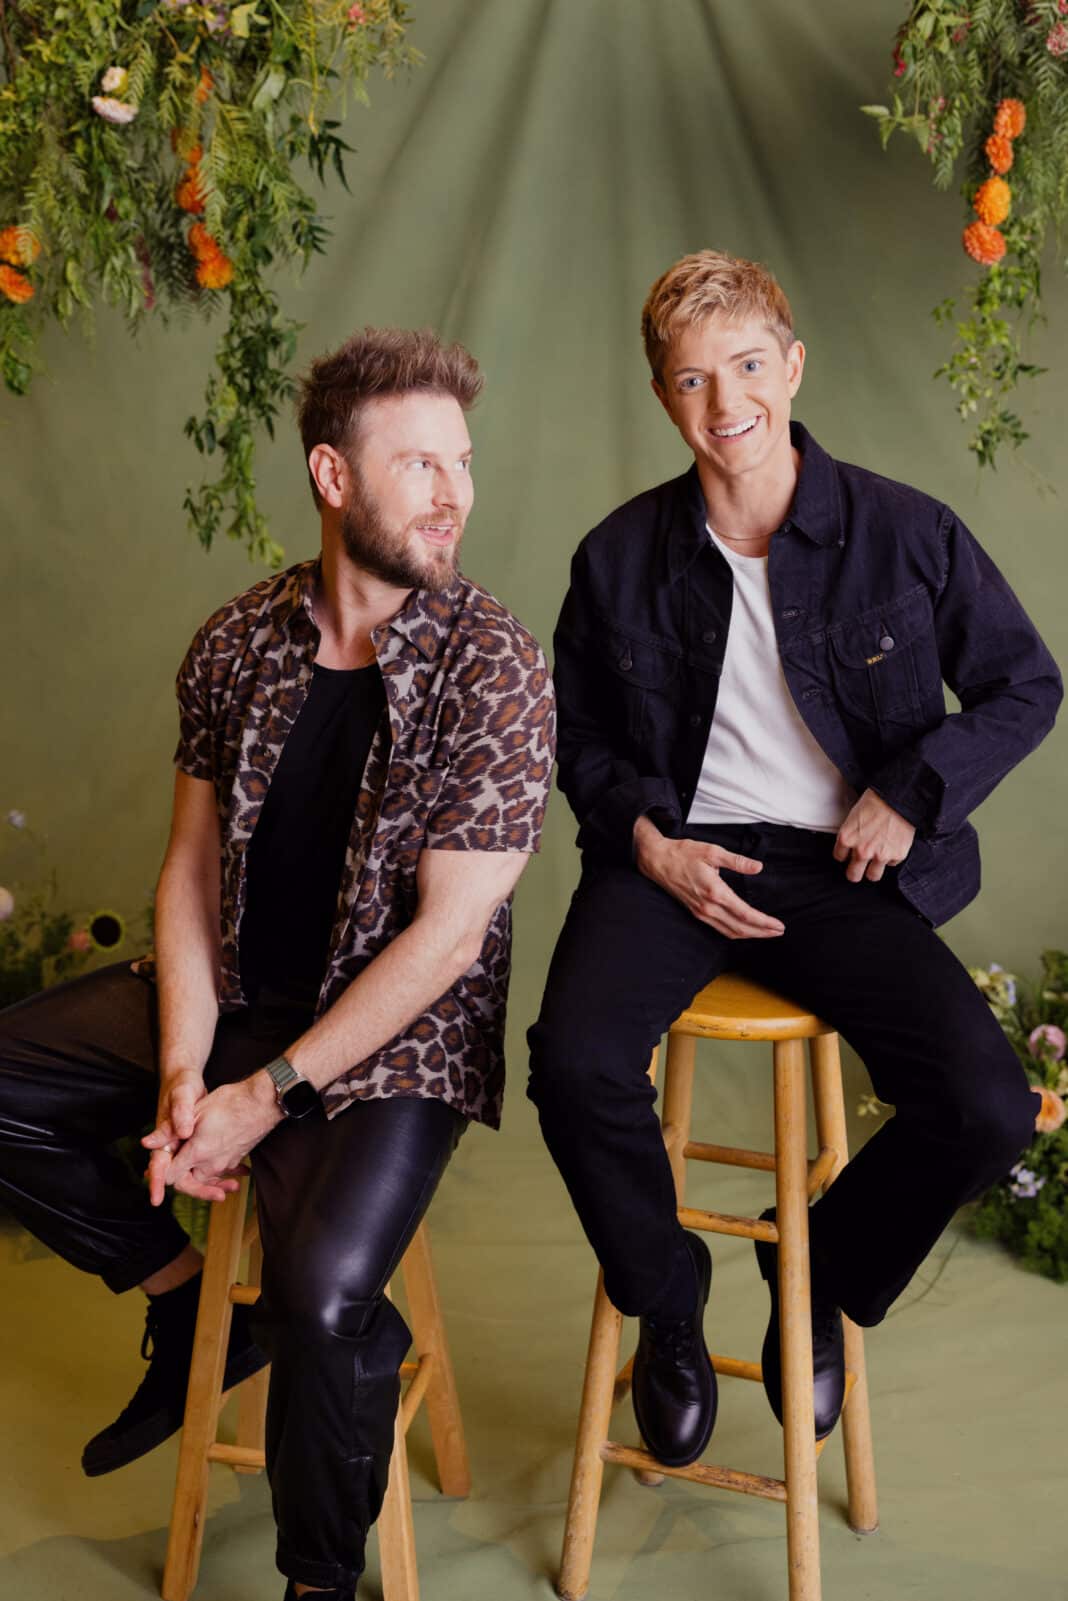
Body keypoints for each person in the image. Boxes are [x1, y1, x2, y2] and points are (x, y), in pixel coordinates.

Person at [0, 327, 555, 1600]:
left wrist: (264, 1098)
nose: (452, 490)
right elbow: (189, 872)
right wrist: (188, 1068)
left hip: (396, 1042)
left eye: (461, 462)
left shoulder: (496, 667)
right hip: (240, 990)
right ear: (331, 474)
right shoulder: (235, 643)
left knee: (321, 1303)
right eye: (418, 463)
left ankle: (319, 1581)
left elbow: (447, 940)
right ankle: (193, 1297)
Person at [527, 249, 1061, 1471]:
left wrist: (910, 794)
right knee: (572, 1061)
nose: (727, 405)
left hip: (840, 871)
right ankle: (665, 1293)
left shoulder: (906, 532)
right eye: (693, 380)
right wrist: (651, 842)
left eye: (749, 367)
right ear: (665, 398)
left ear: (794, 364)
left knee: (985, 1104)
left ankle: (811, 1265)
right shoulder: (616, 558)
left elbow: (1027, 683)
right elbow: (589, 739)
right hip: (673, 859)